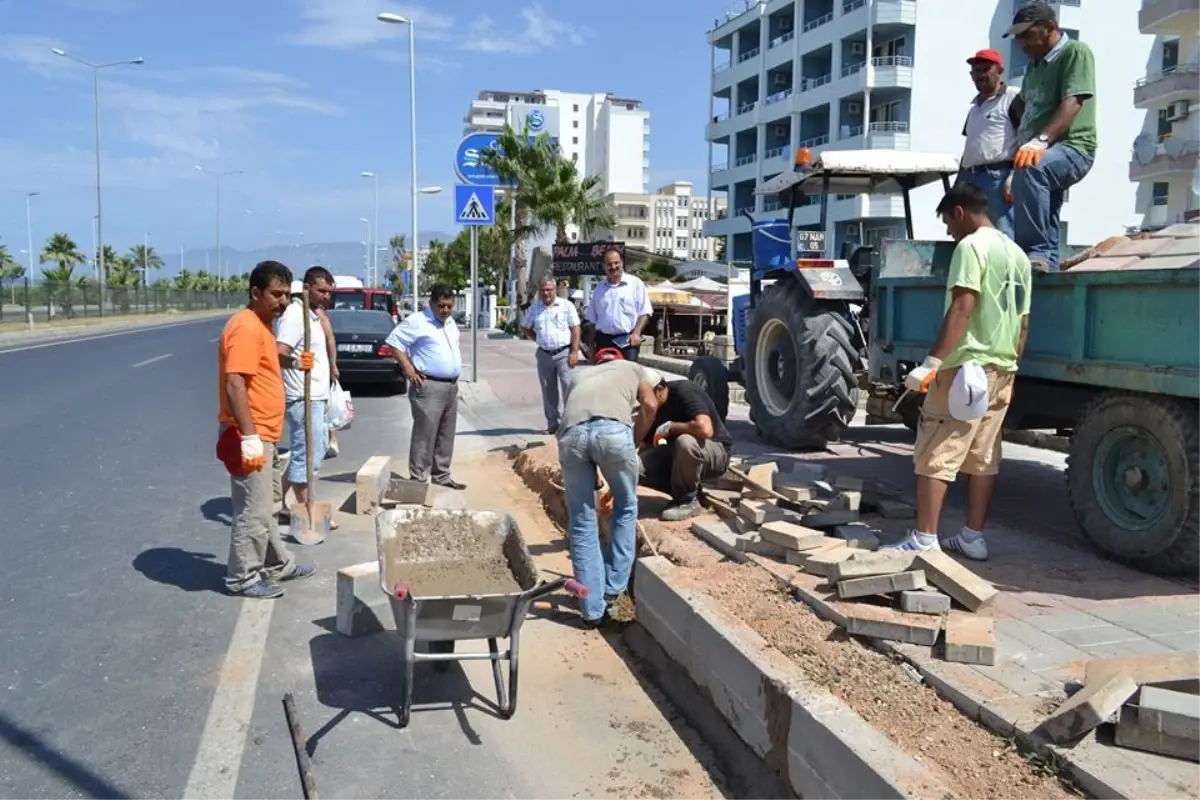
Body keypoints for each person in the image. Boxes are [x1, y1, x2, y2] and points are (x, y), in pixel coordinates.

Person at [883, 183, 1032, 561]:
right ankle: (972, 537)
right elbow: (1023, 323)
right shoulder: (1018, 256)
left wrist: (932, 363)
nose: (949, 232)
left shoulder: (971, 248)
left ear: (961, 212)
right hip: (1002, 368)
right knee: (984, 456)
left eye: (948, 223)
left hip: (966, 368)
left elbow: (963, 307)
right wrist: (1010, 367)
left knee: (936, 449)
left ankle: (924, 539)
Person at [217, 260, 315, 598]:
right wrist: (250, 436)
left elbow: (266, 363)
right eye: (276, 294)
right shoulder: (244, 327)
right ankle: (243, 577)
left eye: (287, 294)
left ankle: (277, 565)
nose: (283, 301)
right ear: (255, 292)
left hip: (267, 433)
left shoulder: (262, 325)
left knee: (268, 504)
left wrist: (293, 361)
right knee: (252, 511)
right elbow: (234, 384)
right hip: (252, 433)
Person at [557, 357, 661, 627]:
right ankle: (612, 590)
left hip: (570, 436)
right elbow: (650, 404)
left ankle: (592, 611)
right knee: (626, 506)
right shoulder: (638, 369)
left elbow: (571, 415)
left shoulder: (581, 376)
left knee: (581, 520)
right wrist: (634, 442)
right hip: (613, 432)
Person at [1005, 0, 1096, 272]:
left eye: (1027, 35)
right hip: (1043, 153)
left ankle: (1035, 252)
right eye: (1018, 37)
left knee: (1032, 169)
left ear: (1050, 27)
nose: (1021, 44)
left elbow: (1073, 102)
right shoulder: (1034, 68)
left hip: (1074, 148)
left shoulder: (1074, 53)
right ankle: (1049, 273)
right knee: (1048, 218)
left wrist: (1039, 141)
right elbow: (1022, 108)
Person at [385, 283, 466, 490]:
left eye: (449, 306)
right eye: (441, 306)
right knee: (425, 433)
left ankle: (442, 475)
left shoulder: (450, 323)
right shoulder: (417, 321)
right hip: (428, 386)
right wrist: (409, 370)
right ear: (432, 304)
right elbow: (395, 342)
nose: (446, 310)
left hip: (450, 387)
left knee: (446, 434)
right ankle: (419, 479)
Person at [275, 266, 338, 529]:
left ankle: (275, 499)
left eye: (329, 292)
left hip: (317, 396)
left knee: (317, 449)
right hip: (302, 397)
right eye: (321, 290)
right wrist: (298, 362)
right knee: (306, 456)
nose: (326, 296)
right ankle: (308, 510)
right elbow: (280, 352)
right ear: (306, 288)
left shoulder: (313, 316)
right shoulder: (294, 316)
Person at [639, 378, 732, 521]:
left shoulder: (685, 391)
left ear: (659, 390)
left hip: (715, 452)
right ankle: (688, 490)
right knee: (635, 466)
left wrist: (673, 427)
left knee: (685, 442)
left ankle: (687, 501)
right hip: (679, 457)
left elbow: (705, 429)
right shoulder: (652, 408)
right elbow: (645, 446)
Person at [958, 48, 1021, 239]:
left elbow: (1026, 138)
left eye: (986, 69)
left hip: (998, 177)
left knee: (1002, 233)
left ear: (999, 70)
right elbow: (970, 147)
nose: (981, 75)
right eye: (976, 71)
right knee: (971, 234)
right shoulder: (974, 109)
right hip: (971, 178)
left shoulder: (1012, 98)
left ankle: (1005, 269)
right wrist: (958, 184)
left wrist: (1015, 176)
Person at [523, 276, 582, 434]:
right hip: (544, 355)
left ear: (555, 289)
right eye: (543, 290)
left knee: (569, 389)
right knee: (549, 392)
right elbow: (525, 326)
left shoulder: (566, 306)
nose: (546, 293)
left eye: (549, 289)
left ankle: (571, 423)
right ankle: (552, 423)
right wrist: (539, 340)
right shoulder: (535, 308)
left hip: (564, 353)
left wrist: (574, 351)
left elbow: (575, 328)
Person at [586, 247, 652, 362]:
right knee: (604, 377)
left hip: (627, 341)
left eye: (616, 263)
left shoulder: (636, 284)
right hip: (604, 341)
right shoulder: (599, 289)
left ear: (622, 262)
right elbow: (592, 321)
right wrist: (591, 345)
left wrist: (636, 333)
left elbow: (645, 312)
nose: (613, 267)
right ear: (604, 266)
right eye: (609, 264)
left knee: (628, 377)